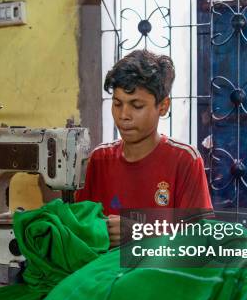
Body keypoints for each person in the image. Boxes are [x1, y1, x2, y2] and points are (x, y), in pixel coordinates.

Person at [75, 50, 212, 247]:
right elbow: (80, 228)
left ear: (163, 106)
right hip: (106, 273)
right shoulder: (99, 159)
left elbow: (199, 243)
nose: (124, 115)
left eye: (136, 105)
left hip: (159, 275)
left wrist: (140, 233)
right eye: (117, 104)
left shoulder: (185, 160)